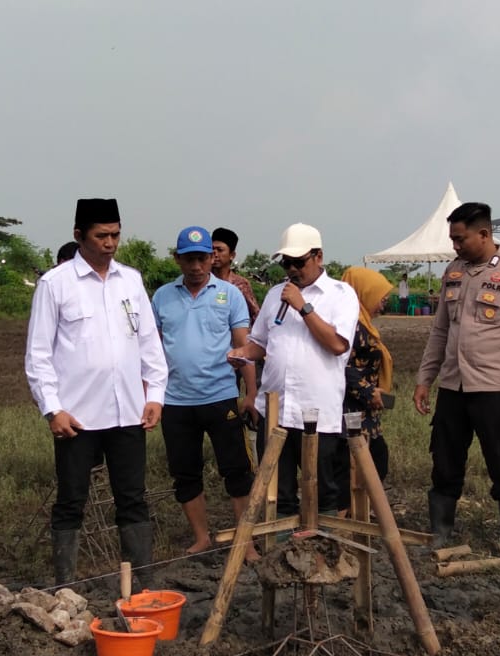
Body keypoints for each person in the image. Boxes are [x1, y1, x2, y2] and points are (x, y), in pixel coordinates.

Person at [25, 198, 167, 585]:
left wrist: (155, 395)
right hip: (78, 416)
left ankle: (142, 584)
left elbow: (149, 343)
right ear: (79, 235)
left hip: (128, 412)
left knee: (132, 498)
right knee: (72, 500)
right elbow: (38, 354)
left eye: (115, 235)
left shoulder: (130, 280)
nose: (110, 243)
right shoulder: (56, 284)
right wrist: (52, 409)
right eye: (101, 235)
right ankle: (66, 587)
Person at [413, 202, 500, 558]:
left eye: (461, 239)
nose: (455, 246)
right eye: (453, 239)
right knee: (444, 462)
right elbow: (440, 330)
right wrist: (425, 378)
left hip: (496, 388)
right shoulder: (453, 271)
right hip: (453, 386)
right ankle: (440, 533)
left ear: (484, 234)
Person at [227, 223, 358, 517]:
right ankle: (281, 542)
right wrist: (242, 354)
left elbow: (337, 345)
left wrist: (303, 307)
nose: (292, 270)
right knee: (279, 489)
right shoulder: (276, 294)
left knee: (322, 486)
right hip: (277, 408)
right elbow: (260, 343)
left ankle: (323, 539)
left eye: (299, 262)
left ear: (318, 257)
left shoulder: (341, 294)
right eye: (287, 263)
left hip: (316, 409)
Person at [152, 225, 258, 554]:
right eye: (189, 259)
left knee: (237, 470)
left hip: (221, 396)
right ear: (177, 259)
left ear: (212, 258)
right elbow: (151, 351)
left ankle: (245, 542)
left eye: (202, 258)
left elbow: (244, 346)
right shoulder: (162, 296)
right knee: (185, 473)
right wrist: (149, 397)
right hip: (176, 401)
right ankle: (201, 537)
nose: (196, 266)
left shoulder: (230, 294)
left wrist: (251, 393)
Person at [335, 266, 394, 497]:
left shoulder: (363, 323)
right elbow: (343, 365)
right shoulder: (351, 325)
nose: (383, 304)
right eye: (381, 298)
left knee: (373, 461)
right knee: (353, 466)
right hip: (351, 409)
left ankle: (356, 509)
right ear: (364, 293)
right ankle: (346, 511)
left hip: (365, 410)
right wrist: (368, 392)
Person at [211, 227, 260, 321]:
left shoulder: (240, 284)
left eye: (220, 250)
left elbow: (255, 315)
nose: (215, 254)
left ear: (232, 255)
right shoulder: (203, 281)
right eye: (212, 249)